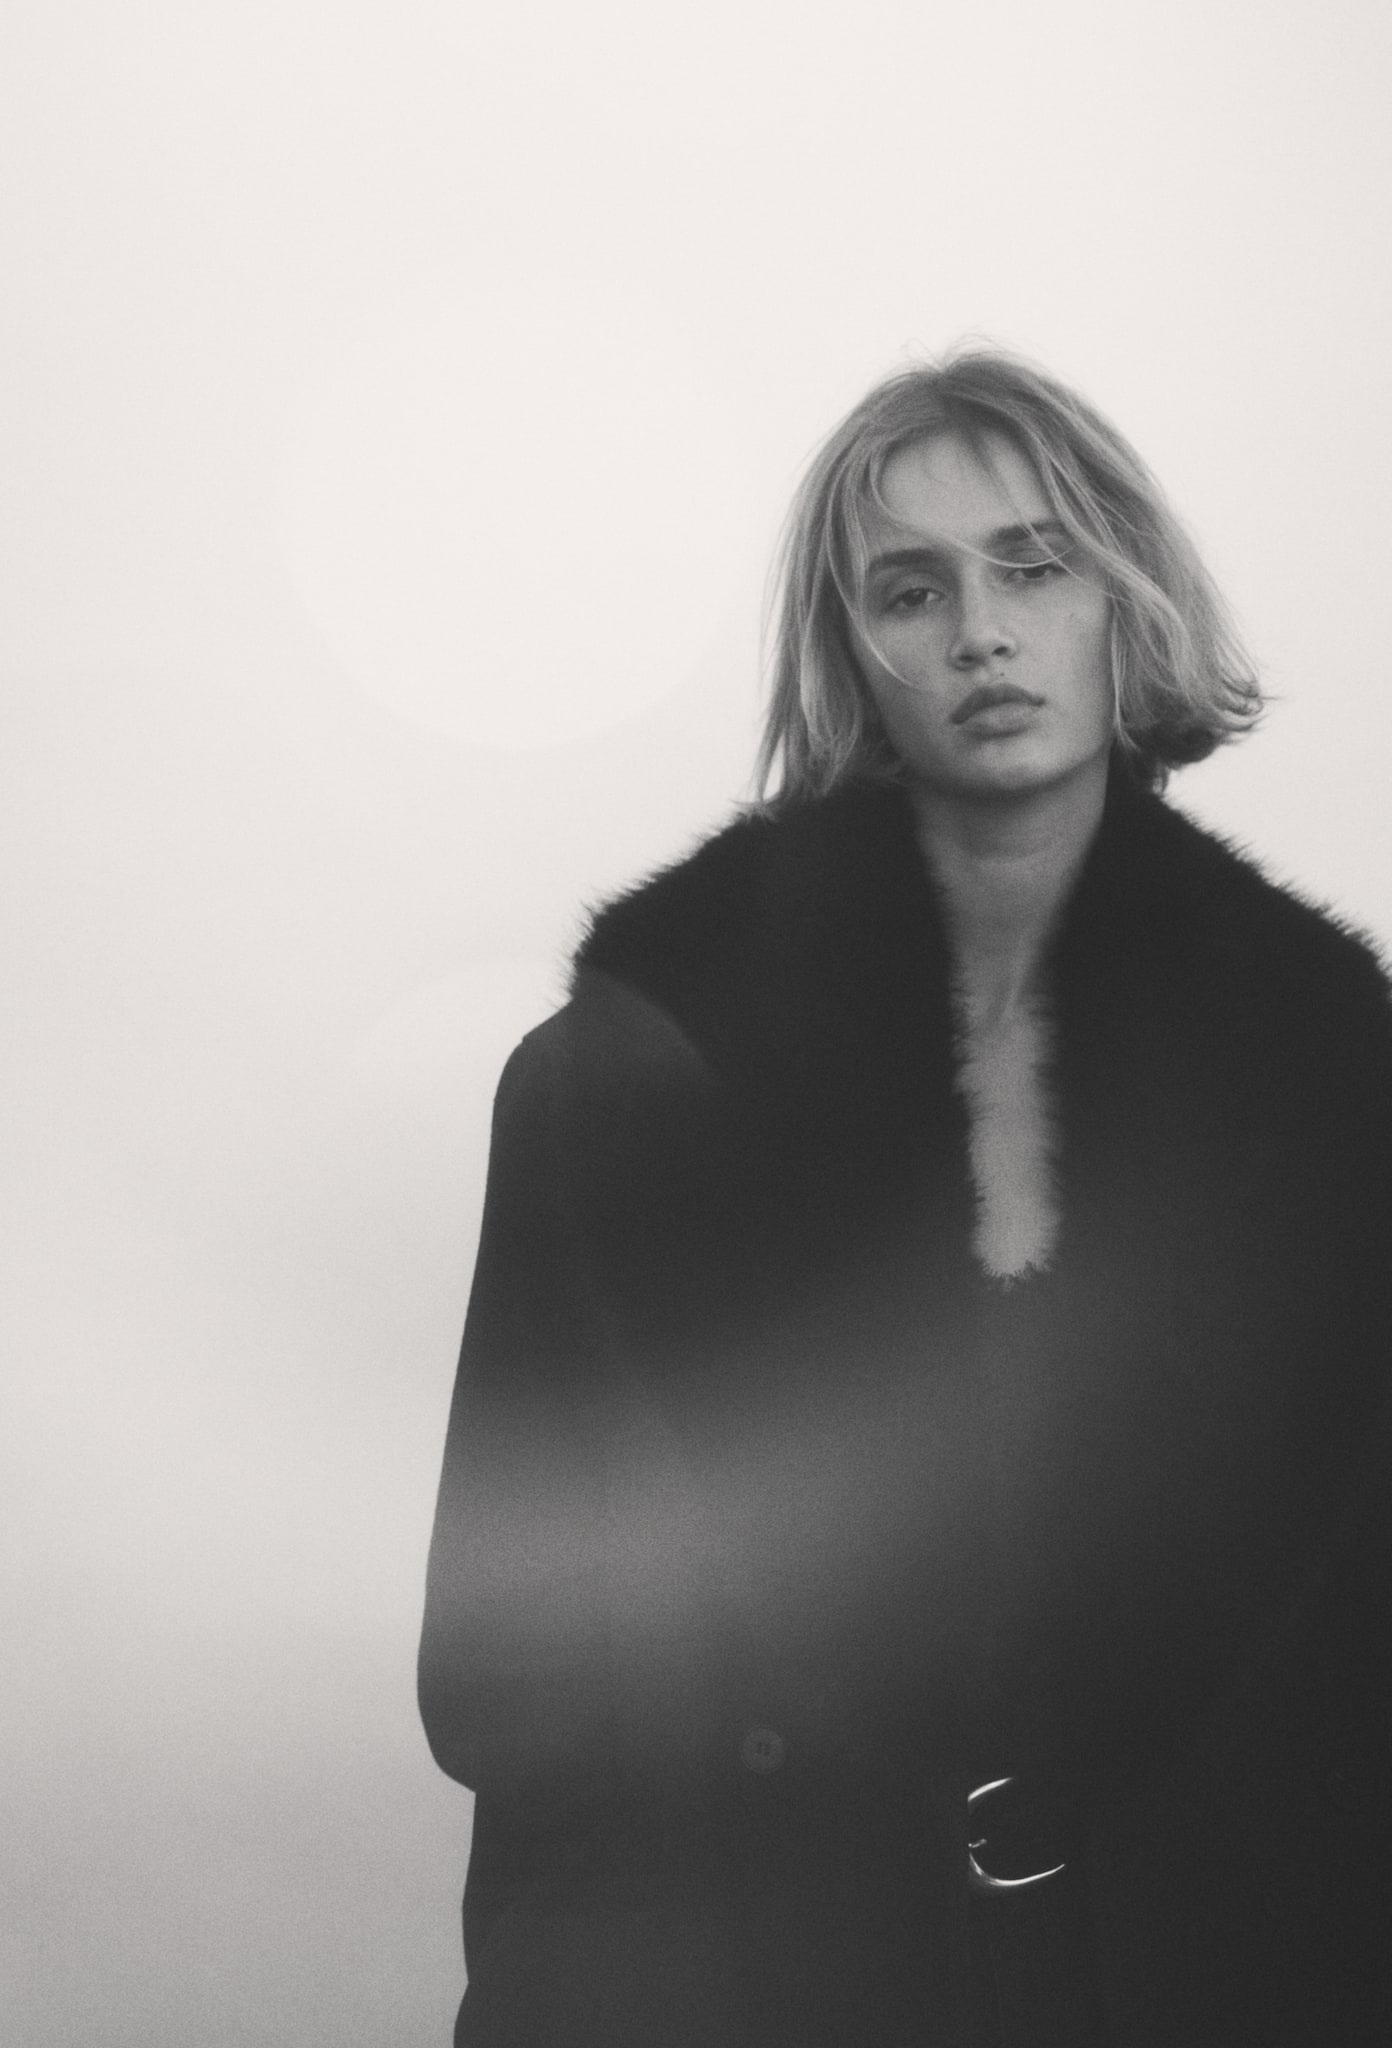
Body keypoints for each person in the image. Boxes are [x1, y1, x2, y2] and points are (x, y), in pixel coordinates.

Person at [418, 347, 1392, 2046]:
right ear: (850, 651)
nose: (983, 634)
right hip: (753, 1988)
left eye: (1035, 566)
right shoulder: (619, 1087)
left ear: (1128, 602)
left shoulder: (1332, 1088)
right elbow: (509, 1680)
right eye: (913, 588)